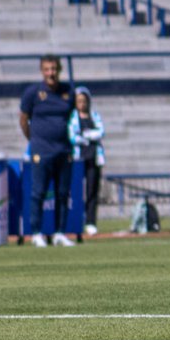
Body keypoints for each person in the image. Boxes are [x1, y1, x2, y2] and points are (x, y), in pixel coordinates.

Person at [19, 54, 77, 247]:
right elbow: (23, 119)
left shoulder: (68, 92)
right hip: (41, 151)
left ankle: (60, 233)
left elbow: (72, 118)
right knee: (38, 193)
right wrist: (34, 140)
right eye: (47, 69)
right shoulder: (33, 93)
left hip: (63, 150)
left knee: (63, 193)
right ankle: (36, 233)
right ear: (42, 71)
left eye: (54, 69)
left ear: (59, 70)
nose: (51, 73)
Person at [69, 86, 105, 235]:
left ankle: (91, 222)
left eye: (84, 101)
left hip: (93, 159)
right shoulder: (72, 118)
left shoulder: (94, 116)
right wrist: (87, 137)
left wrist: (85, 135)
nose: (82, 104)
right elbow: (72, 136)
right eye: (79, 101)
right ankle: (75, 220)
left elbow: (101, 132)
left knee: (92, 191)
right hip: (78, 158)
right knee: (76, 191)